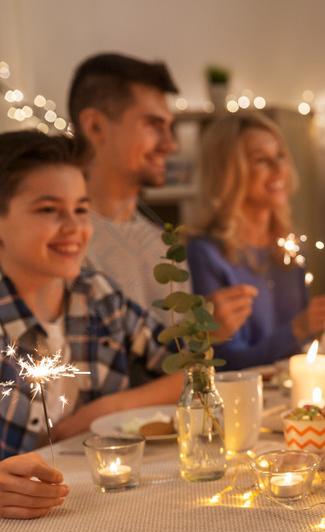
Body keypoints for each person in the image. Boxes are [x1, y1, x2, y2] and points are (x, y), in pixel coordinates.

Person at [0, 131, 182, 519]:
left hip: (106, 507)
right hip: (6, 527)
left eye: (81, 209)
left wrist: (102, 411)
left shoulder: (98, 296)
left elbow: (187, 371)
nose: (74, 227)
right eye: (48, 210)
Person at [68, 53, 253, 338]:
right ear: (95, 126)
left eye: (169, 127)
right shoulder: (63, 244)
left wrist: (202, 335)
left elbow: (171, 363)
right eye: (154, 125)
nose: (171, 145)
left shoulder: (163, 245)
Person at [185, 115, 325, 367]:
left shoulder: (289, 248)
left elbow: (302, 349)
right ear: (228, 171)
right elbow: (225, 363)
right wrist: (299, 327)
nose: (279, 168)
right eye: (261, 159)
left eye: (280, 155)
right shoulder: (206, 254)